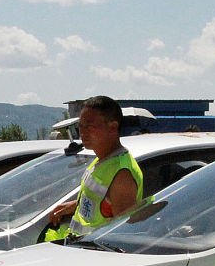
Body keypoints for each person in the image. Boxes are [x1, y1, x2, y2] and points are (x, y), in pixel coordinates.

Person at [44, 95, 143, 241]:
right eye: (81, 126)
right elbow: (98, 201)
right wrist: (73, 205)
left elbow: (122, 234)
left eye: (89, 126)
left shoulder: (122, 174)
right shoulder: (102, 161)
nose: (82, 132)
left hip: (94, 255)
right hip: (78, 248)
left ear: (113, 127)